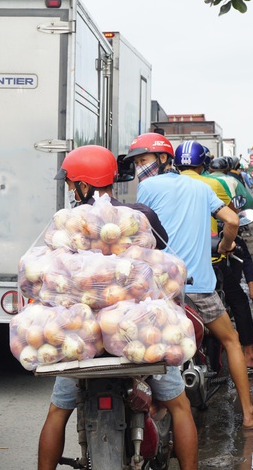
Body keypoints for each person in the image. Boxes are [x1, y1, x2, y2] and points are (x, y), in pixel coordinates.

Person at [38, 144, 198, 470]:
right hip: (139, 336)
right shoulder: (139, 218)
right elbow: (164, 262)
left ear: (83, 185)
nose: (70, 190)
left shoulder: (69, 228)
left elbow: (49, 279)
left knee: (57, 412)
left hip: (81, 340)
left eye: (72, 183)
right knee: (180, 407)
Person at [125, 133, 253, 431]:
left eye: (143, 160)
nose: (141, 167)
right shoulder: (200, 188)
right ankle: (248, 413)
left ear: (165, 159)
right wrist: (226, 246)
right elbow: (232, 221)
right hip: (199, 288)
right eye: (138, 162)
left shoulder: (147, 188)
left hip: (160, 289)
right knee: (231, 340)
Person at [183, 148, 253, 374]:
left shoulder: (160, 187)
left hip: (174, 267)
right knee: (239, 302)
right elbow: (235, 216)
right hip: (209, 259)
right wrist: (226, 245)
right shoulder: (214, 186)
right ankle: (250, 356)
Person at [212, 158, 253, 303]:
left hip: (205, 232)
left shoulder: (198, 182)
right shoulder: (228, 180)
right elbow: (247, 200)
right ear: (227, 168)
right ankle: (252, 290)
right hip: (224, 225)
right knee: (244, 255)